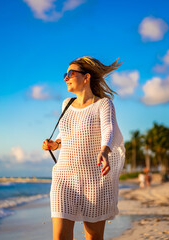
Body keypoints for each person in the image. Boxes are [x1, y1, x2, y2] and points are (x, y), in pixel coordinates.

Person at [42, 56, 125, 240]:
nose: (66, 78)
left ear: (86, 77)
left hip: (93, 181)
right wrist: (54, 144)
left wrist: (105, 150)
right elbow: (65, 135)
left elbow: (108, 129)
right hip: (63, 178)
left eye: (71, 73)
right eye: (65, 74)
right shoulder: (67, 104)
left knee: (93, 237)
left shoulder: (103, 104)